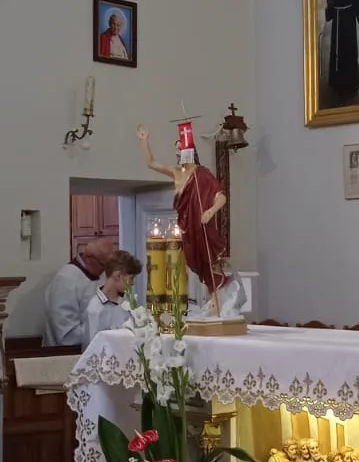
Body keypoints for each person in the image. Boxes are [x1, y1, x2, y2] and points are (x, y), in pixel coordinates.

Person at [136, 124, 231, 307]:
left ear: (190, 150)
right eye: (177, 149)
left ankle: (216, 301)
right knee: (192, 260)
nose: (178, 151)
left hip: (202, 225)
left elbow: (221, 197)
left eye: (181, 147)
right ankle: (204, 301)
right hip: (186, 226)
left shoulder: (202, 174)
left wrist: (211, 211)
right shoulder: (176, 172)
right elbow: (151, 163)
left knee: (208, 261)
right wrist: (144, 140)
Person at [45, 236, 115, 347]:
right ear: (90, 258)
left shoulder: (99, 276)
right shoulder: (66, 279)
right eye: (104, 265)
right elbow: (67, 336)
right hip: (67, 354)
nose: (105, 270)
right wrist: (104, 330)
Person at [86, 249, 142, 343]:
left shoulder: (127, 303)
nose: (132, 283)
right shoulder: (95, 309)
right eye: (131, 278)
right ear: (118, 276)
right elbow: (94, 346)